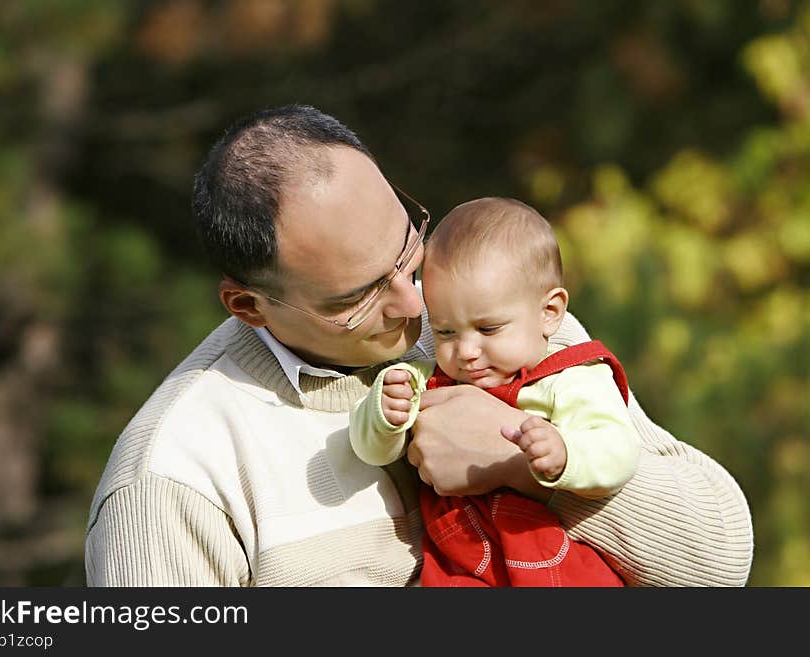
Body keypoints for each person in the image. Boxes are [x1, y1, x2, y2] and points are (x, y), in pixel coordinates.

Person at [84, 104, 753, 586]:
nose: (414, 305)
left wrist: (521, 462)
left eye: (408, 250)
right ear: (247, 305)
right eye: (355, 298)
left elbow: (718, 563)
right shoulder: (171, 479)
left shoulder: (494, 317)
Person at [350, 197, 638, 587]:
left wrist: (566, 455)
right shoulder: (426, 378)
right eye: (446, 331)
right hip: (461, 564)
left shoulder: (572, 378)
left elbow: (618, 452)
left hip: (556, 562)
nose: (466, 352)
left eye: (488, 330)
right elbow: (372, 451)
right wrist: (385, 414)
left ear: (549, 313)